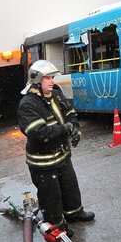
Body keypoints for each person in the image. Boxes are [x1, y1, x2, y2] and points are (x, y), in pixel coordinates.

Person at [18, 60, 95, 231]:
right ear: (36, 80)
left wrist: (75, 129)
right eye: (47, 78)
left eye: (52, 77)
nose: (52, 81)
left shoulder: (56, 94)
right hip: (43, 163)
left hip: (62, 155)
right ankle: (57, 227)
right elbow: (38, 133)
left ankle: (74, 213)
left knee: (71, 187)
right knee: (50, 197)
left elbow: (71, 114)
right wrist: (64, 129)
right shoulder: (28, 104)